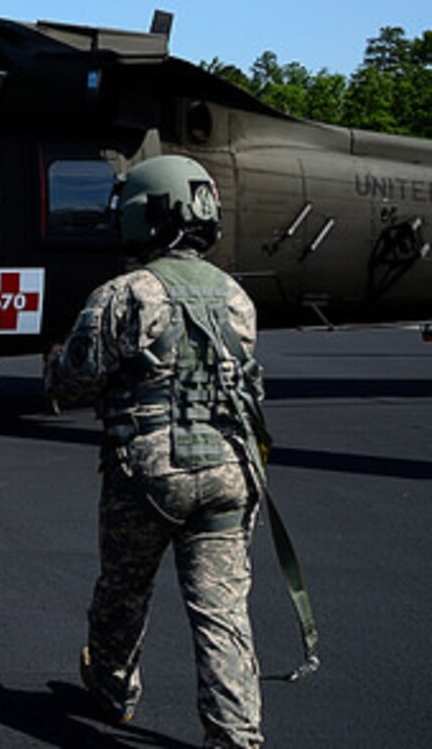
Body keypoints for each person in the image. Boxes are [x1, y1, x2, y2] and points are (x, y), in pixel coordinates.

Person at [45, 155, 273, 748]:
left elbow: (73, 382)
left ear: (143, 216)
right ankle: (236, 737)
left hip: (150, 473)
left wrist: (54, 362)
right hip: (229, 468)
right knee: (222, 613)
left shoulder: (125, 294)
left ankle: (115, 689)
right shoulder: (236, 296)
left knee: (124, 587)